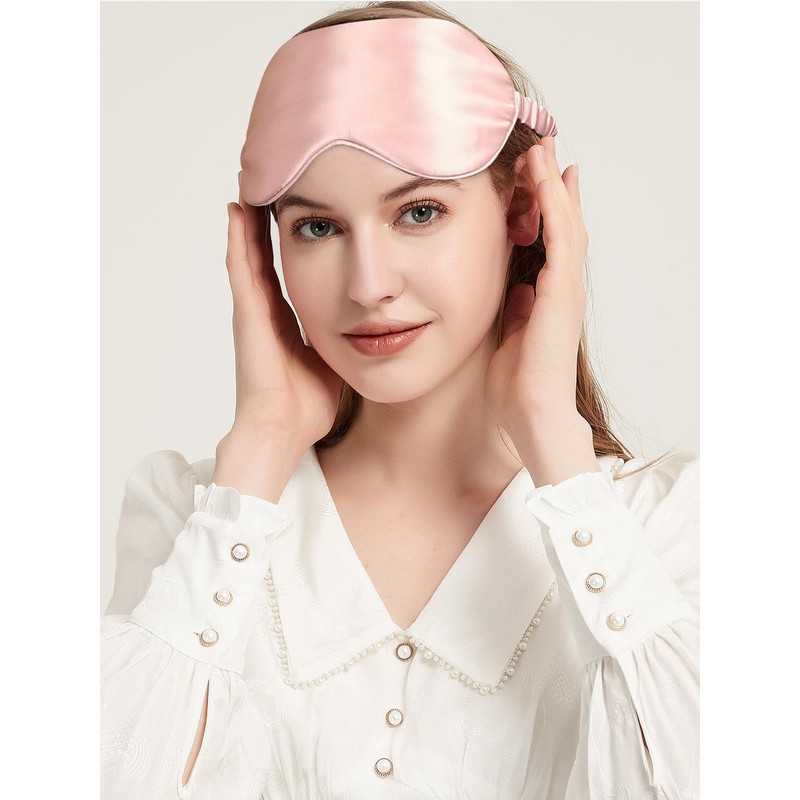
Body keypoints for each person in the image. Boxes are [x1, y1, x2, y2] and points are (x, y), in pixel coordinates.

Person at [100, 3, 699, 798]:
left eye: (419, 212)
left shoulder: (668, 522)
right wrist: (262, 446)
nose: (369, 285)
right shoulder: (191, 517)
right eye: (317, 228)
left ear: (525, 209)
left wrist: (557, 445)